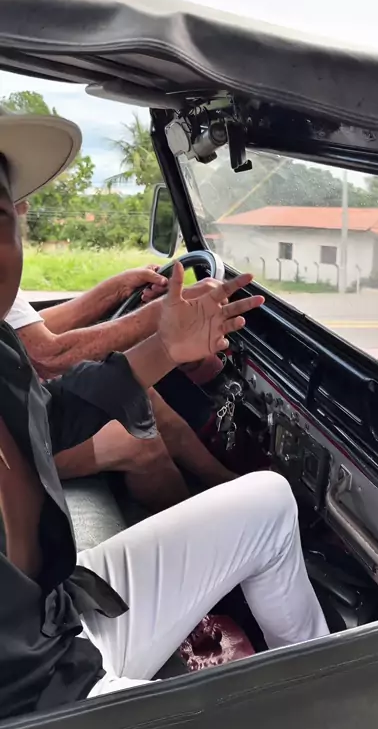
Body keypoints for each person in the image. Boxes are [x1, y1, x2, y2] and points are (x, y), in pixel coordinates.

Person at [0, 106, 329, 719]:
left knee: (269, 501)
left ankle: (324, 690)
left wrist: (165, 348)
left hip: (61, 609)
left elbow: (47, 418)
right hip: (36, 701)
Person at [8, 205, 236, 510]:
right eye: (8, 202)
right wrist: (159, 315)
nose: (24, 206)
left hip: (20, 404)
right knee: (141, 444)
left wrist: (115, 290)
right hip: (13, 438)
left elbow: (27, 329)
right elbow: (47, 355)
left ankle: (223, 482)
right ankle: (205, 528)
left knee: (140, 395)